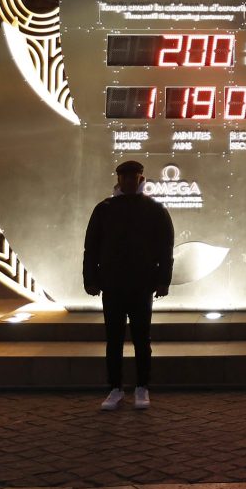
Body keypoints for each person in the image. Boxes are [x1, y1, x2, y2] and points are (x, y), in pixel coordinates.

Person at [83, 160, 174, 411]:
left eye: (133, 177)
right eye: (125, 177)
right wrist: (90, 279)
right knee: (114, 339)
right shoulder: (104, 209)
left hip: (142, 284)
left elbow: (165, 249)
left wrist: (163, 280)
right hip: (113, 284)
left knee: (141, 338)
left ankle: (142, 386)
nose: (129, 181)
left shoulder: (154, 209)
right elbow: (91, 247)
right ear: (119, 179)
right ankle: (115, 388)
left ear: (140, 179)